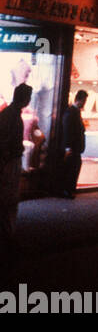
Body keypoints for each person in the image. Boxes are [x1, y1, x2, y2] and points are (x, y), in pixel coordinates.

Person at [0, 84, 32, 263]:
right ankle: (8, 237)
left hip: (10, 161)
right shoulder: (11, 116)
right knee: (9, 200)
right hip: (10, 162)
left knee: (8, 200)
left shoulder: (9, 113)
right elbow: (4, 142)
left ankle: (8, 235)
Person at [60, 91, 88, 198]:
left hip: (76, 148)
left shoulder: (75, 112)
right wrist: (68, 147)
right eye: (84, 101)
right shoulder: (71, 112)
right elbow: (67, 130)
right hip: (72, 147)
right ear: (79, 100)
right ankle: (67, 190)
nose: (84, 103)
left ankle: (70, 189)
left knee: (74, 168)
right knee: (71, 169)